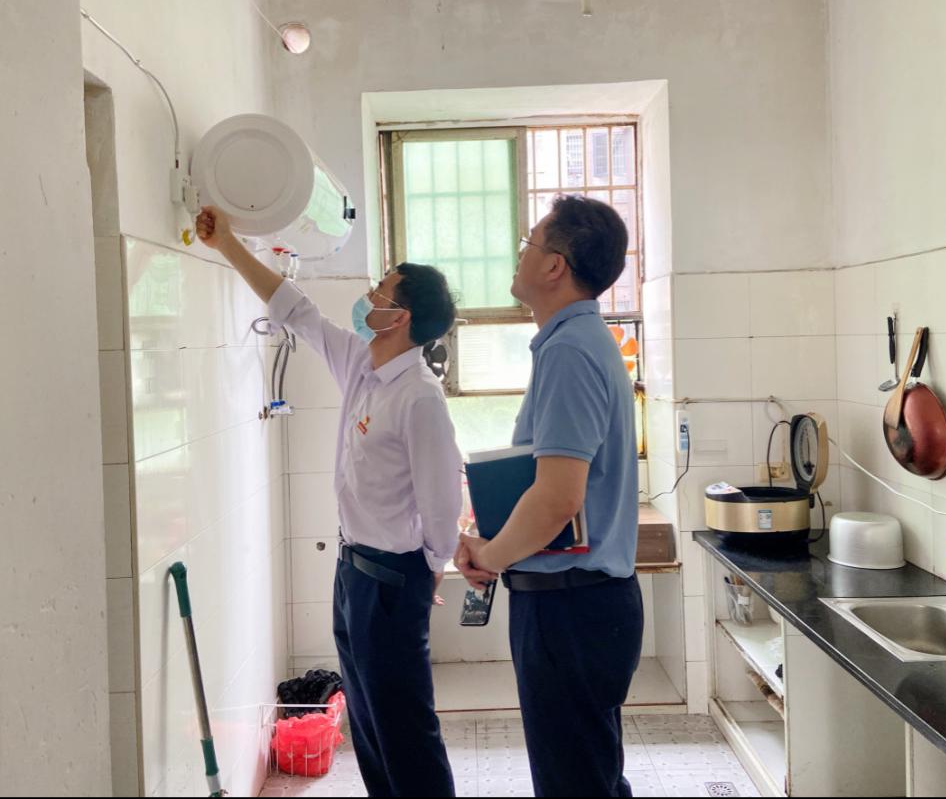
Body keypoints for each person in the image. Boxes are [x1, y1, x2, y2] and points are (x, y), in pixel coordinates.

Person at [196, 206, 463, 798]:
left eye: (380, 290)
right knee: (366, 724)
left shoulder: (419, 398)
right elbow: (297, 311)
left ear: (400, 317)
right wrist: (229, 245)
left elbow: (443, 505)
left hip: (392, 581)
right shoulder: (363, 365)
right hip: (353, 574)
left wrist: (426, 571)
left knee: (404, 728)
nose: (368, 296)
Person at [455, 195, 642, 797]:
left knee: (575, 782)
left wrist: (488, 556)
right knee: (590, 776)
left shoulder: (569, 351)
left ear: (555, 265)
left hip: (571, 610)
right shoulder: (579, 342)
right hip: (580, 605)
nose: (520, 255)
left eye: (528, 244)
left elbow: (558, 498)